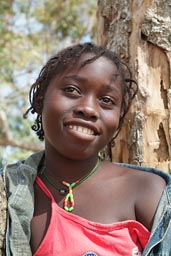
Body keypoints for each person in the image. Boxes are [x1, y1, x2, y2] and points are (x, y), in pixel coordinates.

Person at [0, 42, 171, 256]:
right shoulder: (9, 194)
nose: (88, 109)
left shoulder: (147, 191)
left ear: (118, 120)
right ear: (41, 98)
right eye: (72, 90)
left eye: (107, 100)